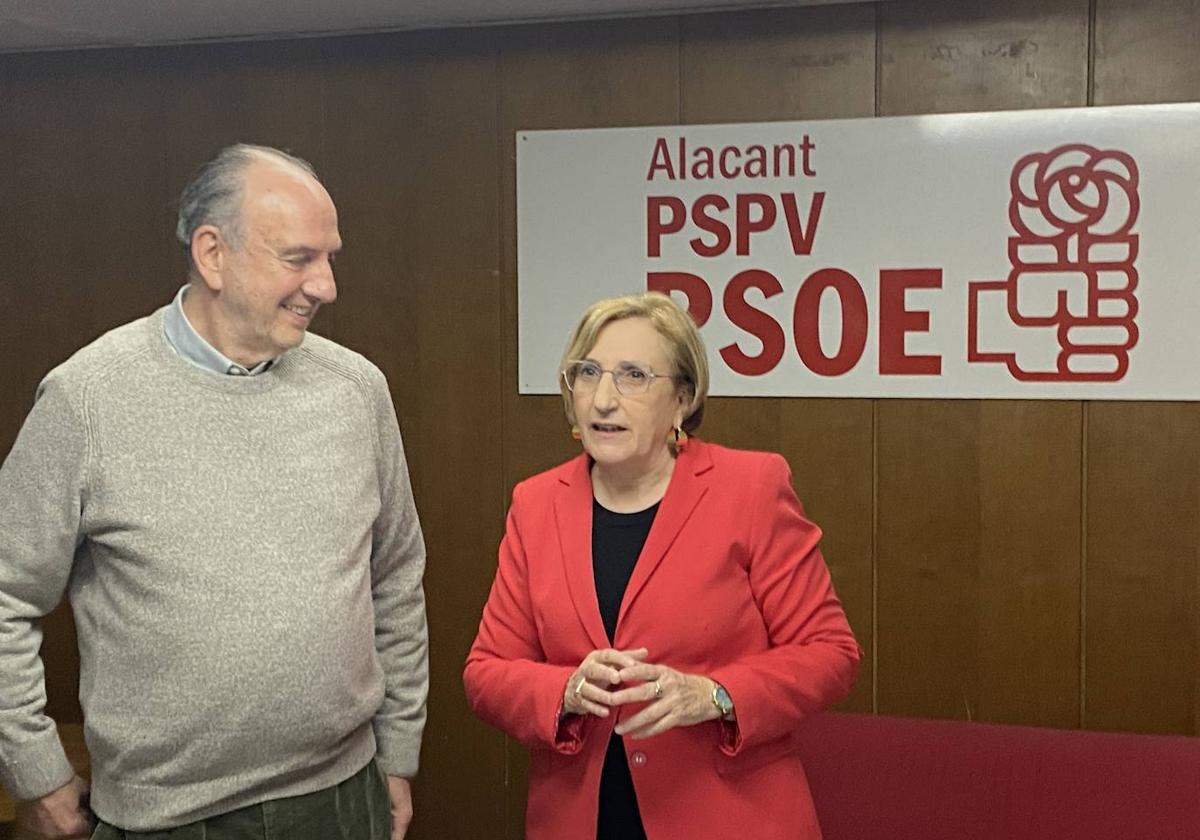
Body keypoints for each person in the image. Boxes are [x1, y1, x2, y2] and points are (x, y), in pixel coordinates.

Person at [0, 144, 428, 839]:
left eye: (330, 257)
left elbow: (396, 573)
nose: (325, 285)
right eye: (299, 258)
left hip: (344, 797)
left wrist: (399, 754)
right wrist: (34, 769)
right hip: (164, 819)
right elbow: (5, 589)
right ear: (212, 254)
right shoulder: (88, 398)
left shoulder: (357, 392)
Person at [463, 291, 861, 840]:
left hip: (729, 817)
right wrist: (566, 691)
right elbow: (487, 672)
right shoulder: (536, 505)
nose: (603, 399)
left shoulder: (750, 488)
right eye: (588, 373)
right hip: (583, 817)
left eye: (632, 376)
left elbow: (830, 654)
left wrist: (716, 695)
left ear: (682, 398)